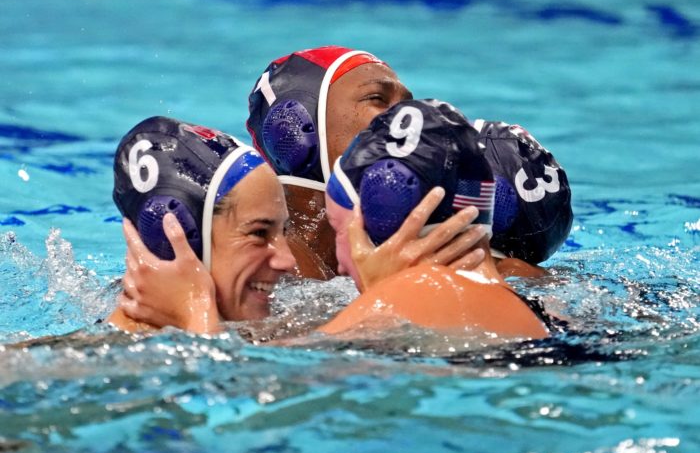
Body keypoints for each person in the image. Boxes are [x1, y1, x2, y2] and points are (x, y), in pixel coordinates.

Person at [247, 45, 572, 279]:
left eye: (407, 106)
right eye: (378, 99)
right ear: (294, 131)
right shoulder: (271, 268)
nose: (405, 119)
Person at [319, 99, 568, 338]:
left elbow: (294, 372)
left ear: (382, 221)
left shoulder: (409, 295)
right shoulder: (542, 312)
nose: (340, 265)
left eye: (338, 229)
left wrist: (381, 295)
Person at [108, 116, 296, 333]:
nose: (288, 261)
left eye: (284, 230)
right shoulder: (95, 361)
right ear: (172, 238)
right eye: (259, 233)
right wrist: (195, 307)